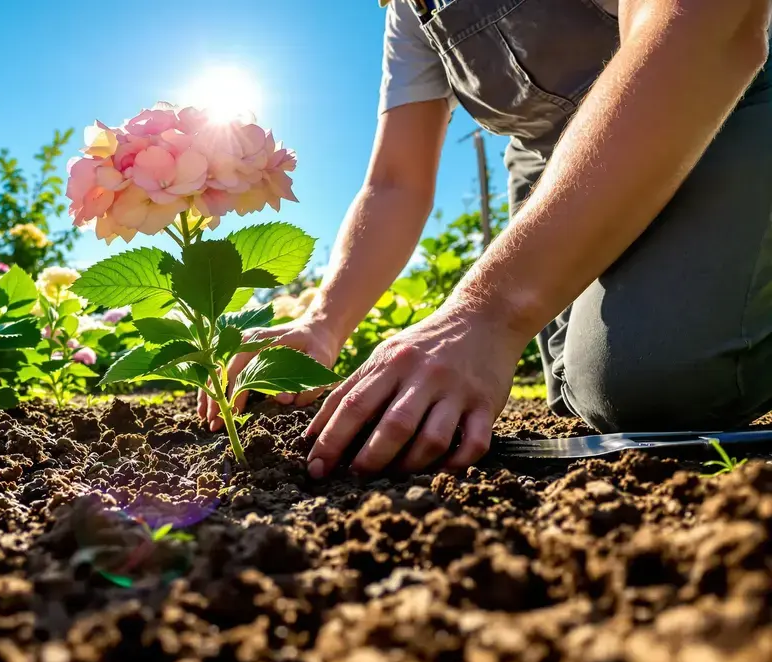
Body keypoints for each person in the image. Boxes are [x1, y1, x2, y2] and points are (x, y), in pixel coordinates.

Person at [199, 0, 772, 478]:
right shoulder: (411, 15)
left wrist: (489, 311)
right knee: (573, 390)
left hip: (722, 95)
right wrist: (323, 323)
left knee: (644, 381)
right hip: (556, 159)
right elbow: (395, 183)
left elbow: (702, 27)